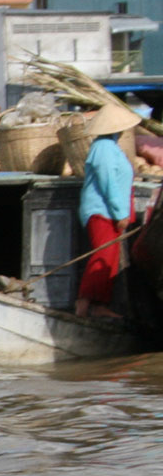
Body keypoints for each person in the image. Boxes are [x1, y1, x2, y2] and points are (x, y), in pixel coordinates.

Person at [75, 103, 139, 321]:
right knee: (102, 256)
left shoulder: (111, 147)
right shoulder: (103, 148)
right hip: (102, 211)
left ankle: (99, 304)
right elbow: (108, 182)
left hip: (110, 212)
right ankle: (85, 304)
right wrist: (120, 212)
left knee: (109, 260)